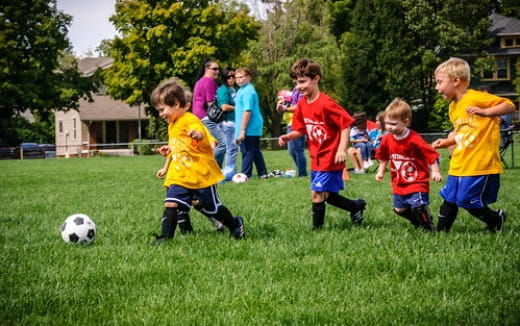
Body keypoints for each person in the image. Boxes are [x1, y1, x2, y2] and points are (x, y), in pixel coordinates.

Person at [150, 78, 245, 245]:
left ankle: (235, 224)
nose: (161, 114)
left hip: (200, 175)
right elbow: (182, 144)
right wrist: (170, 148)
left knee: (212, 208)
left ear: (176, 104)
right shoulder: (173, 124)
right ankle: (165, 238)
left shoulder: (190, 120)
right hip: (180, 176)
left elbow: (206, 139)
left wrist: (199, 135)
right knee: (171, 203)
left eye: (162, 109)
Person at [278, 58, 367, 229]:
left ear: (316, 79)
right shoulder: (302, 103)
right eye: (296, 82)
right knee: (327, 194)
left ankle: (317, 231)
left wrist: (341, 149)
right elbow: (301, 128)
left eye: (303, 82)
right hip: (316, 157)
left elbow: (346, 124)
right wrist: (288, 137)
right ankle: (355, 206)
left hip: (331, 156)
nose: (298, 86)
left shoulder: (326, 103)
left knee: (317, 193)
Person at [432, 57, 515, 232]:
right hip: (460, 162)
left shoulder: (476, 98)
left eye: (439, 82)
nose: (437, 88)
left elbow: (509, 105)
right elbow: (462, 132)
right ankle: (439, 233)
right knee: (449, 197)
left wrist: (486, 112)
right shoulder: (453, 107)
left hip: (479, 162)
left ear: (456, 81)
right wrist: (447, 141)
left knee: (467, 200)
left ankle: (495, 219)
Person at [375, 99, 442, 230]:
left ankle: (428, 227)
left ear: (406, 122)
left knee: (418, 206)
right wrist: (380, 172)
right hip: (399, 182)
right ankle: (418, 221)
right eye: (387, 123)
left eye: (393, 124)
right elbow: (383, 157)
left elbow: (431, 154)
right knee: (399, 209)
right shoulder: (387, 139)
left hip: (417, 180)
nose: (389, 127)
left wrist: (435, 171)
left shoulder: (414, 139)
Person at [234, 67, 268, 179]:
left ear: (249, 77)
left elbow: (247, 111)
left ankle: (245, 175)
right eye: (236, 77)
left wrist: (243, 130)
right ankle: (263, 173)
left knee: (247, 151)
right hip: (248, 126)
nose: (238, 80)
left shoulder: (248, 91)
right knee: (255, 151)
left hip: (250, 126)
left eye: (241, 77)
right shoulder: (241, 90)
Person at [192, 58, 226, 167]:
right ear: (207, 69)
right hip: (206, 118)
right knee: (222, 144)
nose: (217, 71)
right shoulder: (208, 81)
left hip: (198, 118)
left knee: (207, 146)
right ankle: (214, 170)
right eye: (214, 69)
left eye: (218, 69)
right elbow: (211, 102)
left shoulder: (199, 81)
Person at [278, 87, 307, 177]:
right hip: (290, 125)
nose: (280, 99)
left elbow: (299, 107)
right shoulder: (294, 92)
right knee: (291, 151)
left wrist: (285, 108)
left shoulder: (300, 92)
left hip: (297, 124)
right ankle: (301, 170)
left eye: (281, 97)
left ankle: (302, 174)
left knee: (298, 149)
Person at [217, 67, 239, 179]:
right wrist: (238, 107)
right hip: (227, 123)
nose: (231, 79)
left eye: (233, 76)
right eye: (228, 77)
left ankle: (232, 170)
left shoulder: (234, 89)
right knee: (231, 149)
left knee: (234, 149)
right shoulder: (223, 89)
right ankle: (229, 172)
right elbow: (224, 106)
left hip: (235, 123)